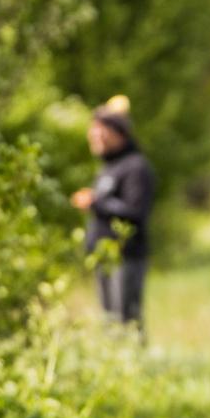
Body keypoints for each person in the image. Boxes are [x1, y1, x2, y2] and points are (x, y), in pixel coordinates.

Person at [71, 95, 156, 331]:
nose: (94, 136)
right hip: (104, 258)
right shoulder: (108, 166)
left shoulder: (136, 167)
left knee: (126, 322)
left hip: (126, 256)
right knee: (109, 324)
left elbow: (136, 212)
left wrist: (95, 203)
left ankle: (134, 366)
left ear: (118, 133)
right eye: (93, 131)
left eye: (100, 131)